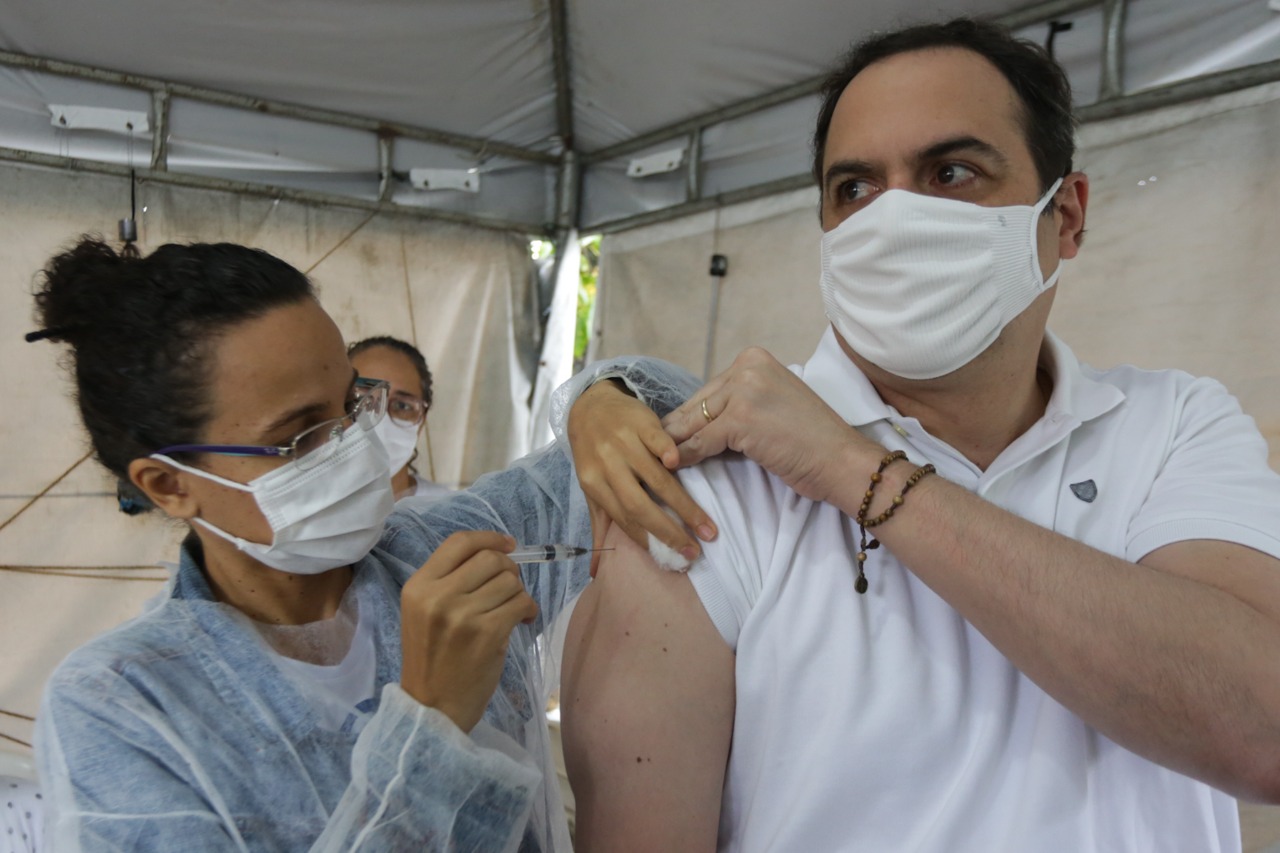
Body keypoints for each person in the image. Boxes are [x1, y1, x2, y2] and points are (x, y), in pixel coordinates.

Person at [558, 17, 1280, 852]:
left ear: (1067, 216)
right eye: (855, 189)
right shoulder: (712, 497)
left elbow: (1261, 729)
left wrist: (853, 467)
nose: (894, 219)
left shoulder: (1169, 427)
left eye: (951, 172)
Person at [26, 237, 701, 852]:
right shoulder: (121, 709)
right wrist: (431, 726)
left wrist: (601, 400)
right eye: (299, 435)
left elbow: (674, 416)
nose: (353, 447)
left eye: (352, 405)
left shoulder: (439, 547)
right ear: (170, 483)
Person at [348, 335, 451, 500]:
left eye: (402, 406)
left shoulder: (449, 513)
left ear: (421, 421)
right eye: (364, 400)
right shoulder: (304, 514)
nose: (381, 423)